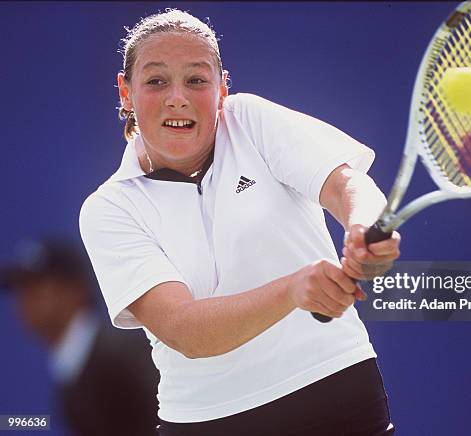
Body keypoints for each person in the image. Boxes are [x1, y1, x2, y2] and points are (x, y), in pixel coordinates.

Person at [79, 8, 401, 435]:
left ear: (222, 88)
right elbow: (186, 330)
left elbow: (347, 187)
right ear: (126, 92)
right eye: (157, 80)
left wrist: (363, 228)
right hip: (206, 422)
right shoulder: (108, 209)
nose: (178, 97)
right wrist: (294, 288)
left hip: (337, 391)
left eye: (197, 79)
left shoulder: (251, 121)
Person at [0, 238, 160, 436]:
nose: (24, 301)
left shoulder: (122, 353)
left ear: (76, 290)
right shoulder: (70, 369)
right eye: (20, 291)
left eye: (36, 288)